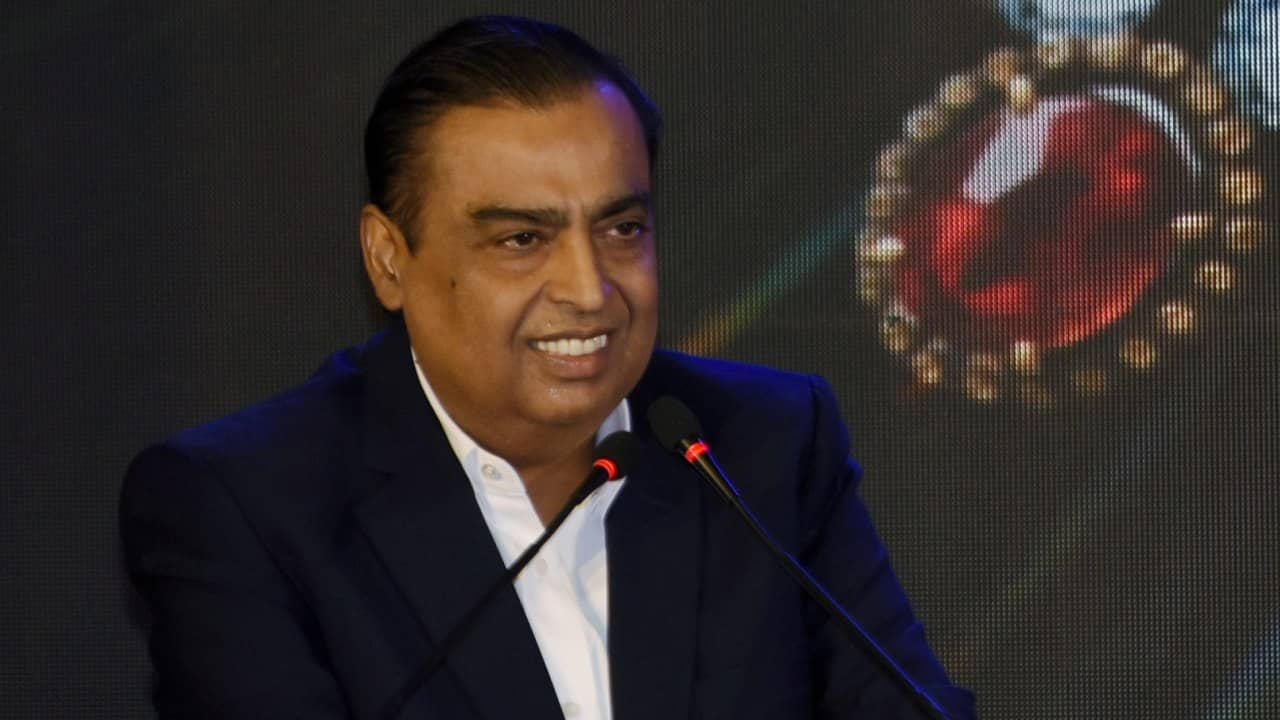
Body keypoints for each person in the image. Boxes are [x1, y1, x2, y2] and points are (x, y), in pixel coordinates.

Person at [120, 15, 975, 720]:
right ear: (388, 259)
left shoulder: (761, 447)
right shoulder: (245, 509)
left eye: (622, 230)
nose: (589, 290)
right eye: (522, 239)